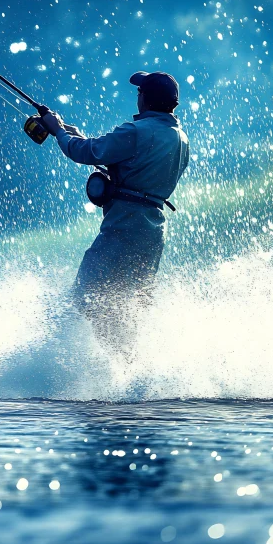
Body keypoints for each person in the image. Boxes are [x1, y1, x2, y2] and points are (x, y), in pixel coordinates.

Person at [42, 71, 189, 348]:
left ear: (145, 98)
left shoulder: (136, 131)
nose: (137, 97)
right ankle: (128, 378)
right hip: (152, 235)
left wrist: (58, 131)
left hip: (122, 230)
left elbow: (83, 153)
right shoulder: (180, 138)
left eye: (139, 92)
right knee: (127, 310)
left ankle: (70, 366)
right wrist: (71, 134)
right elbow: (133, 172)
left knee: (84, 297)